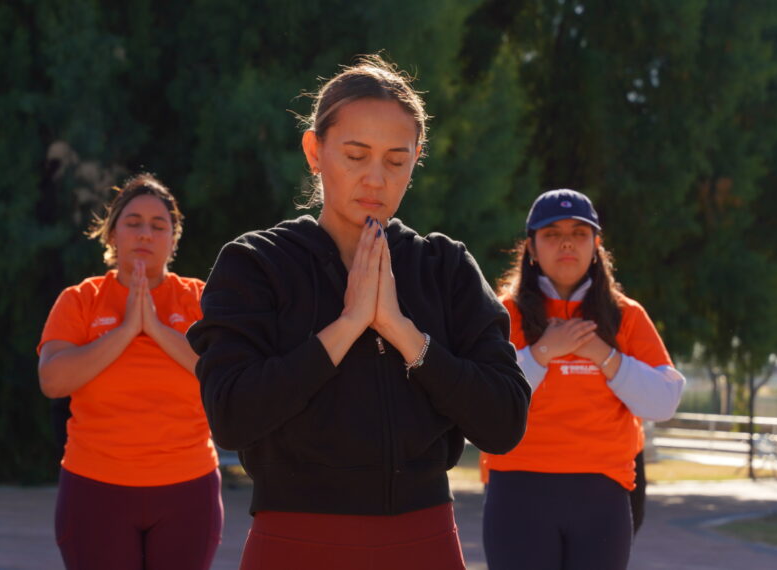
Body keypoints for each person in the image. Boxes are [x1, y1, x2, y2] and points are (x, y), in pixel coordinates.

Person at [186, 55, 531, 570]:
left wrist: (403, 332)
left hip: (425, 542)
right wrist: (346, 328)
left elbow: (505, 423)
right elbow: (231, 417)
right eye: (355, 155)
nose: (376, 178)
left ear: (416, 160)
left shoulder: (445, 266)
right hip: (294, 543)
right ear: (314, 151)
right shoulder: (255, 264)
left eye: (396, 160)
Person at [480, 189, 686, 569]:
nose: (566, 244)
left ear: (596, 244)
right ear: (531, 247)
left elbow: (663, 401)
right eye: (552, 234)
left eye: (578, 233)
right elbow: (483, 404)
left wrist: (604, 356)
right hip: (517, 490)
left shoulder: (627, 315)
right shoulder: (503, 312)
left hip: (602, 493)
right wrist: (544, 351)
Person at [37, 174, 223, 570]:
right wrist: (124, 332)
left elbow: (222, 374)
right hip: (94, 487)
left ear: (174, 239)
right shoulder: (80, 300)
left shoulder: (198, 299)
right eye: (133, 222)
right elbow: (53, 381)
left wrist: (155, 328)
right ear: (111, 235)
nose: (145, 234)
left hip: (187, 489)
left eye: (159, 226)